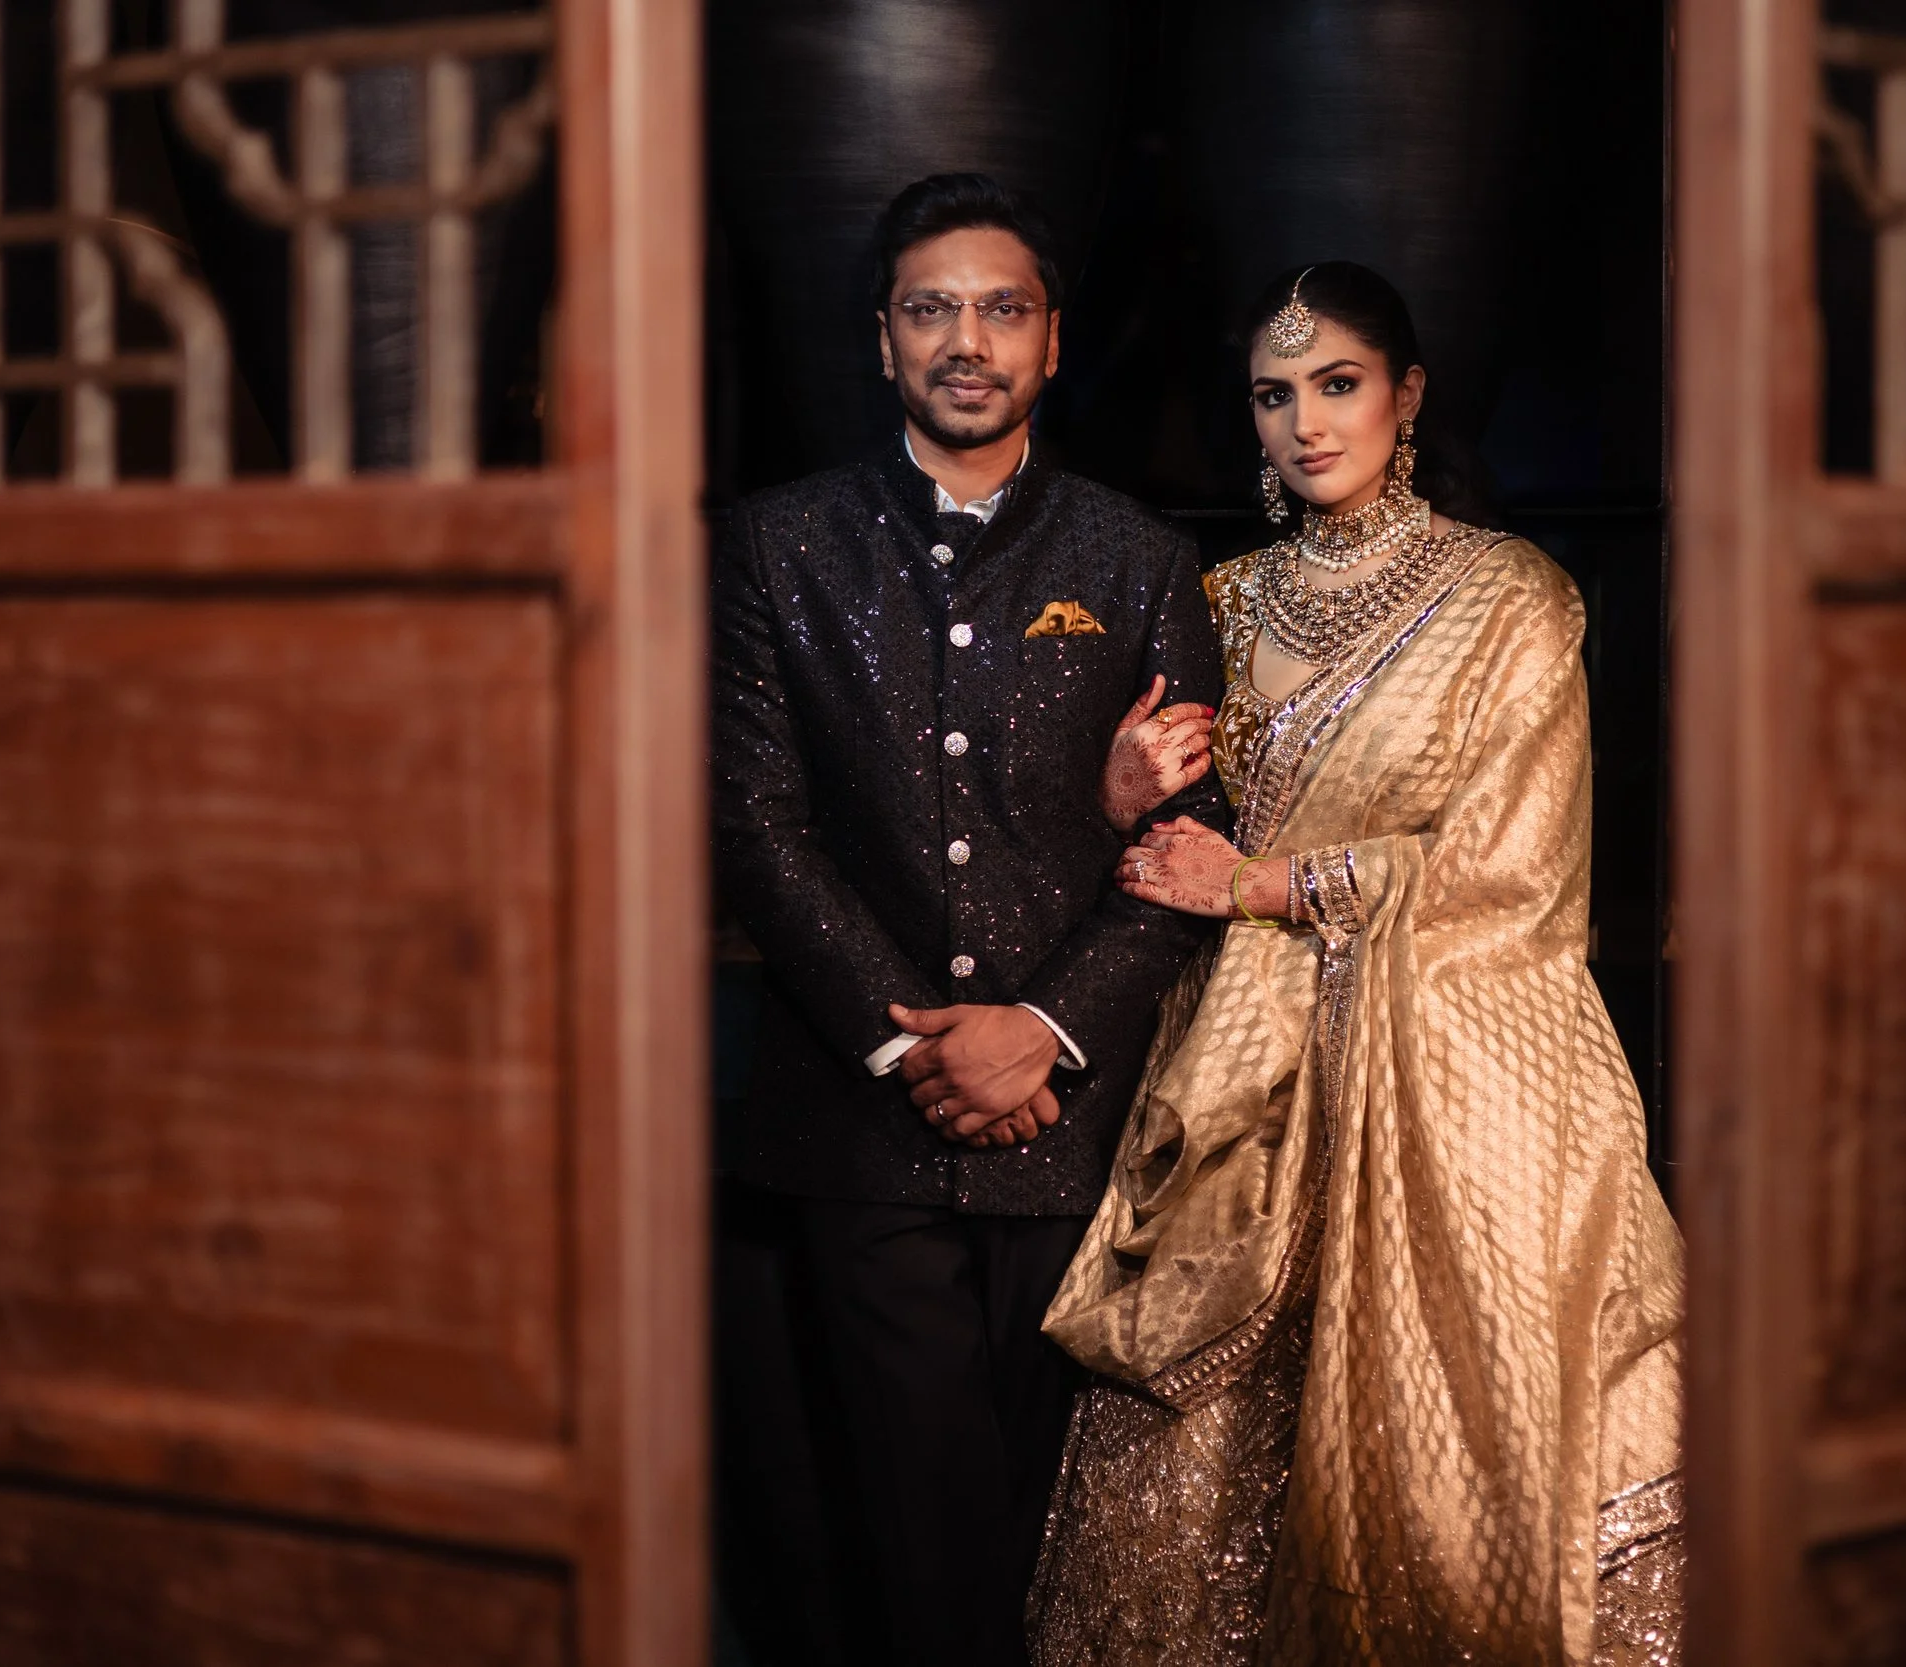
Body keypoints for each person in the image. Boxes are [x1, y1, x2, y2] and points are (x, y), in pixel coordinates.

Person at [1027, 263, 1687, 1666]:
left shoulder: (1513, 598)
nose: (1306, 423)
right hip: (1239, 1093)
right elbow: (1145, 850)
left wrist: (1265, 882)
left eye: (1339, 384)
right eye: (1275, 394)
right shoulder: (1213, 597)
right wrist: (1114, 792)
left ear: (1409, 397)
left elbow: (1516, 868)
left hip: (1464, 1078)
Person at [709, 173, 1229, 1666]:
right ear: (884, 340)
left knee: (1039, 1522)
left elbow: (1194, 838)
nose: (967, 338)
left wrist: (1042, 1030)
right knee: (889, 1528)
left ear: (1052, 343)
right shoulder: (777, 546)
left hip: (1074, 1114)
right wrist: (922, 1051)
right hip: (860, 1122)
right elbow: (756, 826)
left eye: (1002, 308)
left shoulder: (1137, 558)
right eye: (932, 307)